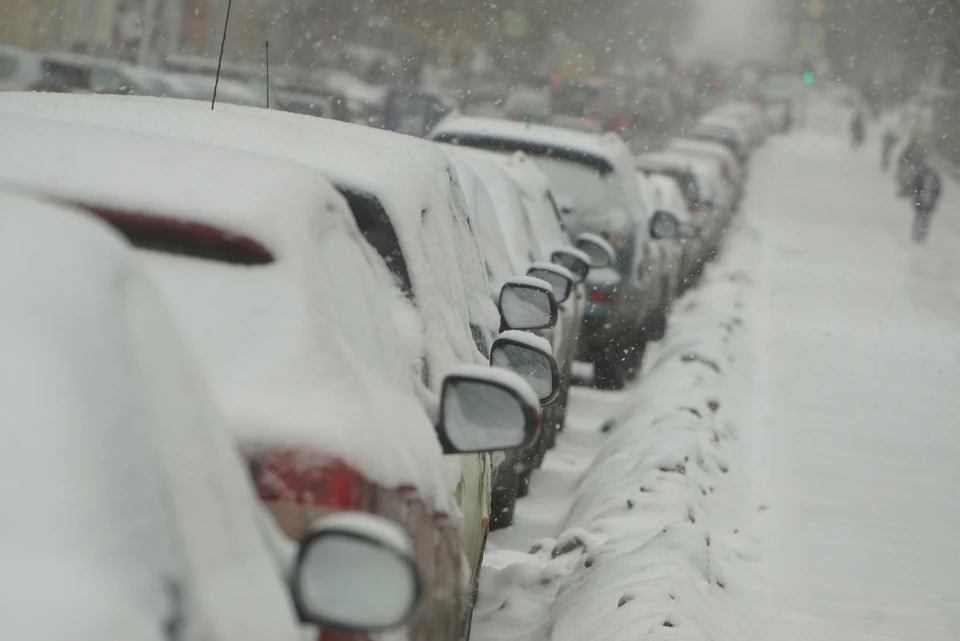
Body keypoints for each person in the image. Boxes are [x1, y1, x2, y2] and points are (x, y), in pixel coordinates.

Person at [910, 164, 942, 243]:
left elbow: (938, 192)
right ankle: (915, 234)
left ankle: (922, 236)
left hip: (929, 203)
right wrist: (916, 199)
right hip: (921, 202)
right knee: (918, 218)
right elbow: (915, 188)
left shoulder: (935, 179)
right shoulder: (921, 177)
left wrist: (934, 201)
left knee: (926, 220)